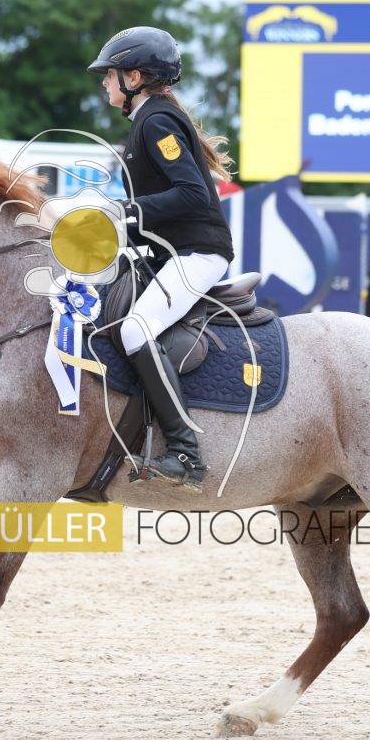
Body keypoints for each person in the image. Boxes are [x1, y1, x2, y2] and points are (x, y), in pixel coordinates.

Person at [87, 25, 235, 494]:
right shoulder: (147, 120)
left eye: (109, 74)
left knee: (137, 329)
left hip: (199, 253)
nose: (104, 82)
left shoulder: (156, 122)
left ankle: (186, 452)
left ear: (134, 77)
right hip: (172, 251)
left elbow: (192, 194)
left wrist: (126, 211)